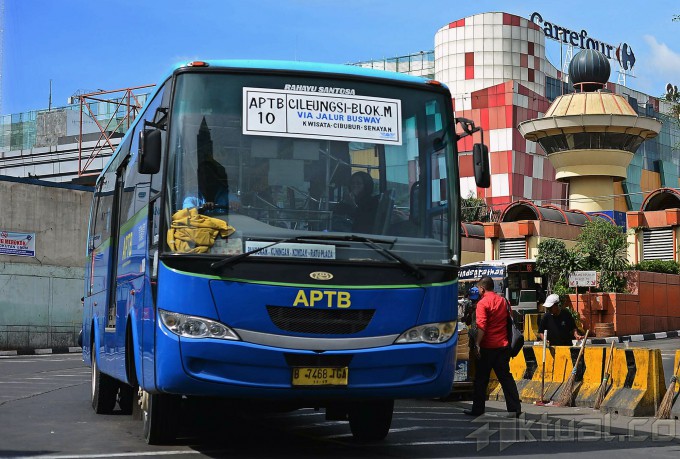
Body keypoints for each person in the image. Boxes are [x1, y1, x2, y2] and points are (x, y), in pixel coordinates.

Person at [465, 276, 522, 417]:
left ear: (482, 288)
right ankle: (515, 409)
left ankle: (478, 409)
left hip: (487, 347)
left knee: (481, 379)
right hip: (503, 346)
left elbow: (481, 326)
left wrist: (477, 344)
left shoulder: (482, 303)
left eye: (478, 288)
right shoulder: (503, 301)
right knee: (506, 378)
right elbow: (510, 320)